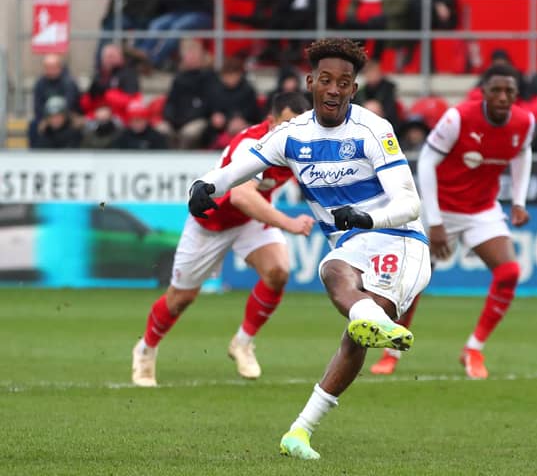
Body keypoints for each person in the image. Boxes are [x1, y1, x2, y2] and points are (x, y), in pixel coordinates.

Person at [187, 38, 431, 460]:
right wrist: (207, 185)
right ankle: (297, 435)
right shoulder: (292, 134)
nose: (334, 89)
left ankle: (363, 330)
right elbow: (240, 167)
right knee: (332, 271)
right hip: (351, 242)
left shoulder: (375, 131)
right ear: (310, 82)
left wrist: (367, 218)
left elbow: (410, 203)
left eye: (344, 82)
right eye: (325, 80)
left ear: (354, 89)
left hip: (401, 238)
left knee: (356, 333)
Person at [131, 92, 315, 387]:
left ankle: (242, 343)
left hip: (249, 221)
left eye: (301, 126)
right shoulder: (251, 145)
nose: (293, 132)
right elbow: (242, 195)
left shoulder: (301, 148)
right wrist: (289, 223)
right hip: (212, 222)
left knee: (278, 271)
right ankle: (145, 348)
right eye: (287, 124)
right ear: (271, 122)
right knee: (181, 299)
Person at [371, 64, 535, 378]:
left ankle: (473, 348)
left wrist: (518, 201)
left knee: (510, 272)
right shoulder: (458, 118)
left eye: (509, 92)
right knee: (413, 282)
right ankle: (391, 352)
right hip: (439, 209)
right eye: (496, 90)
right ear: (484, 92)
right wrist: (434, 222)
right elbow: (428, 160)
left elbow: (522, 153)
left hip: (481, 211)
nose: (503, 97)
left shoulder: (525, 122)